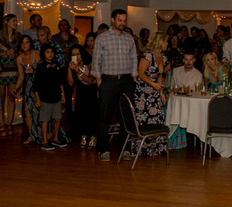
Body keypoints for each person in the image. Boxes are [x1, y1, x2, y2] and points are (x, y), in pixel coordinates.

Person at [92, 9, 138, 162]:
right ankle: (104, 149)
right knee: (104, 116)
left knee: (126, 116)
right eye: (120, 20)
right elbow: (96, 61)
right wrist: (99, 82)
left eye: (124, 20)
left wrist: (134, 78)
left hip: (126, 81)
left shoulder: (129, 38)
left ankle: (125, 149)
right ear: (112, 20)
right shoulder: (102, 38)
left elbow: (133, 59)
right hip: (108, 81)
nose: (122, 23)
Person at [131, 32, 170, 157]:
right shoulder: (148, 55)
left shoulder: (162, 56)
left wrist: (161, 93)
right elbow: (140, 73)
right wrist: (153, 85)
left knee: (157, 117)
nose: (167, 44)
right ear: (160, 42)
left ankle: (156, 148)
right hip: (144, 92)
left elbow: (159, 76)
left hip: (154, 91)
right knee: (144, 120)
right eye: (166, 41)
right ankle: (142, 148)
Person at [34, 44, 68, 151]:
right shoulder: (41, 67)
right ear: (43, 54)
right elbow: (37, 85)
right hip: (45, 97)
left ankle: (55, 138)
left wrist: (63, 95)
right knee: (45, 120)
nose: (50, 54)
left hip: (56, 96)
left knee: (58, 118)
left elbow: (60, 81)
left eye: (52, 52)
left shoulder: (57, 65)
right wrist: (37, 98)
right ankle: (44, 140)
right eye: (48, 52)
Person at [67, 45, 98, 149]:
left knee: (92, 114)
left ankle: (94, 136)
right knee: (81, 113)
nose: (76, 56)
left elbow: (90, 81)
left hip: (92, 91)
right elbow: (70, 83)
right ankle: (83, 136)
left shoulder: (89, 64)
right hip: (81, 91)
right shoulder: (72, 66)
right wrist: (69, 69)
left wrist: (78, 70)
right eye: (73, 55)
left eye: (78, 54)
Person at [0, 14, 20, 137]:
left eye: (16, 21)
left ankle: (9, 124)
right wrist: (5, 54)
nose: (16, 23)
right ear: (6, 22)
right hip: (1, 69)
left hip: (14, 68)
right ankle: (1, 124)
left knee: (11, 97)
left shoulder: (18, 36)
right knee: (1, 97)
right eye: (14, 21)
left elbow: (21, 51)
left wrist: (14, 55)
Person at [14, 35, 41, 144]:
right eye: (22, 43)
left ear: (31, 44)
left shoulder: (37, 54)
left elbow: (45, 71)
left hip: (40, 85)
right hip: (29, 86)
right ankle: (32, 135)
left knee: (40, 111)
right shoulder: (19, 59)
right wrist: (15, 89)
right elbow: (21, 76)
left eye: (27, 42)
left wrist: (34, 72)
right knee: (27, 112)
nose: (25, 45)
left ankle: (43, 134)